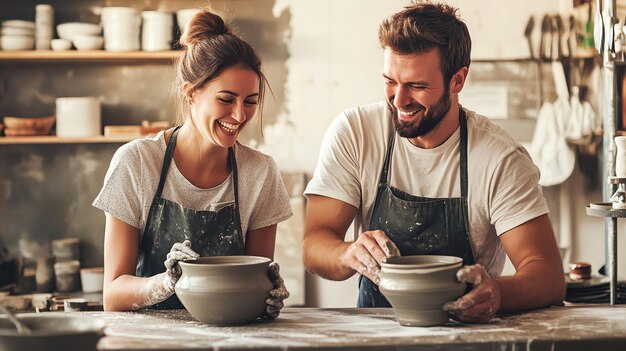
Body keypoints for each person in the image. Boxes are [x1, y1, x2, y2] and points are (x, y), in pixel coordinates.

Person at [303, 0, 565, 323]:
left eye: (416, 86)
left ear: (458, 81)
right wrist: (347, 253)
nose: (398, 100)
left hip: (465, 335)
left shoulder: (499, 159)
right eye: (390, 81)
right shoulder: (356, 133)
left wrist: (498, 291)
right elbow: (314, 243)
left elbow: (548, 275)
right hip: (374, 334)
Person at [93, 10, 292, 318]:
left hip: (229, 336)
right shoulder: (137, 163)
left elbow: (255, 281)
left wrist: (266, 296)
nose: (240, 116)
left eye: (250, 101)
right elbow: (113, 295)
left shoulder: (260, 172)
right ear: (190, 92)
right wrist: (167, 282)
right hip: (149, 340)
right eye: (226, 100)